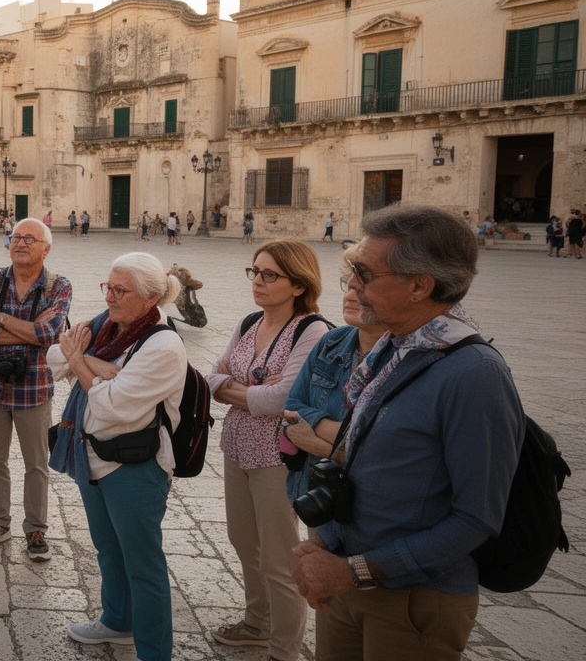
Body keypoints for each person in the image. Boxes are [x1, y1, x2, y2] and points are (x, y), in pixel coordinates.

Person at [292, 205, 523, 661]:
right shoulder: (392, 351)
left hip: (412, 602)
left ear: (420, 285)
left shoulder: (474, 374)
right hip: (346, 579)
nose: (353, 284)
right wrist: (322, 548)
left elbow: (476, 518)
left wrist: (353, 571)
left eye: (365, 272)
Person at [48, 252, 186, 655]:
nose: (109, 296)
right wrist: (87, 361)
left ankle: (154, 651)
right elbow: (55, 357)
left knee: (143, 566)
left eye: (120, 290)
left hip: (135, 467)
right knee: (107, 548)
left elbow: (113, 406)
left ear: (149, 299)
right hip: (90, 456)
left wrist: (78, 361)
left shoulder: (164, 346)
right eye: (107, 286)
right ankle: (117, 620)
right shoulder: (103, 327)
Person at [207, 238, 327, 661]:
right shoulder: (248, 323)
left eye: (269, 274)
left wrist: (239, 390)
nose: (257, 281)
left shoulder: (313, 331)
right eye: (254, 271)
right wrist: (252, 391)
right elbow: (212, 378)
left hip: (280, 457)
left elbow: (281, 402)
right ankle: (256, 623)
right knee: (243, 540)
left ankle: (283, 649)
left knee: (279, 556)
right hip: (238, 446)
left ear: (298, 284)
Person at [0, 218, 72, 561]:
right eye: (16, 237)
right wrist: (28, 329)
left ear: (47, 248)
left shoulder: (59, 285)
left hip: (35, 388)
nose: (21, 243)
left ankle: (36, 527)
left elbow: (51, 334)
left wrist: (1, 319)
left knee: (36, 462)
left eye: (30, 238)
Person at [281, 245, 384, 516]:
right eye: (347, 286)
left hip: (370, 506)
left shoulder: (402, 359)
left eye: (362, 288)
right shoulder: (331, 341)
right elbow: (292, 409)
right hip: (316, 493)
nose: (350, 296)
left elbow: (383, 445)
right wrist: (344, 442)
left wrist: (318, 444)